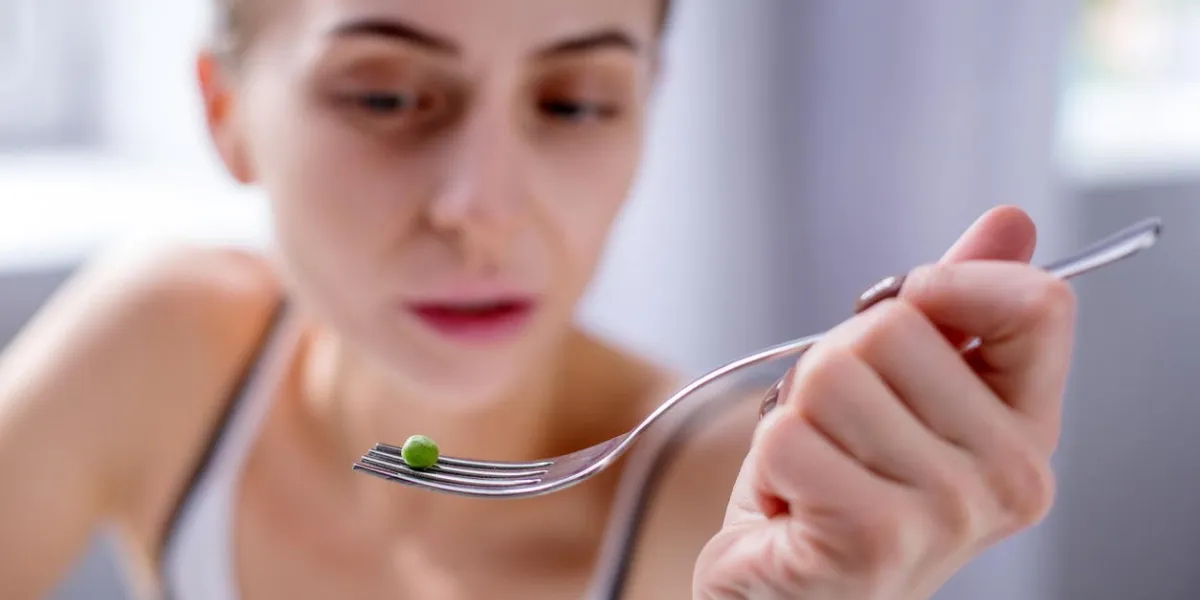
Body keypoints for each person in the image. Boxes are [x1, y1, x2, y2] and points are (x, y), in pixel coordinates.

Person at [0, 0, 1077, 598]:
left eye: (573, 102)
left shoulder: (733, 512)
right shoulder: (161, 351)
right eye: (385, 94)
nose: (483, 207)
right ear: (226, 111)